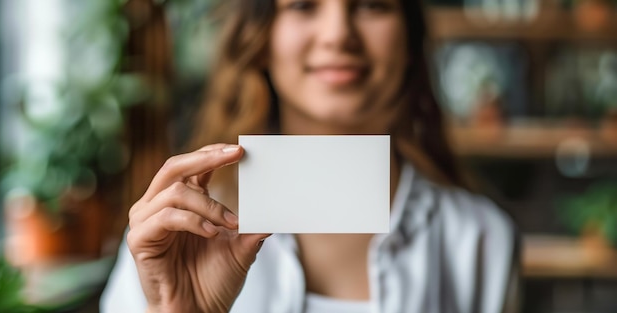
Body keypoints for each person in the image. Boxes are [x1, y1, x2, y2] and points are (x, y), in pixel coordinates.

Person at [101, 0, 520, 312]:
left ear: (410, 40)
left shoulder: (482, 240)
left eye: (373, 4)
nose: (338, 34)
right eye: (303, 4)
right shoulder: (173, 235)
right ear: (260, 37)